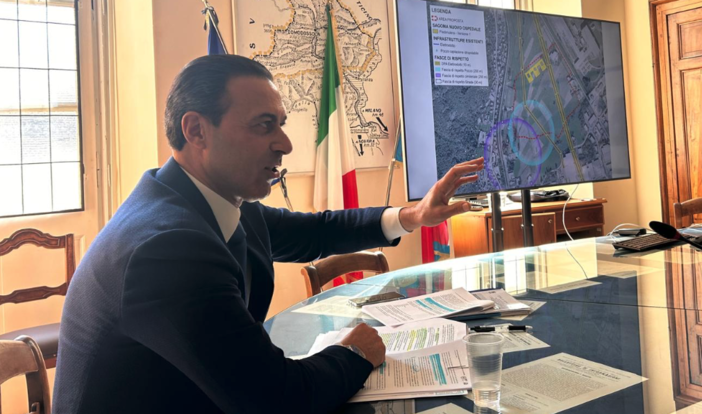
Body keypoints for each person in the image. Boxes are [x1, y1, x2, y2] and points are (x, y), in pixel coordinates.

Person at [52, 54, 484, 414]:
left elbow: (317, 231)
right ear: (196, 130)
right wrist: (354, 353)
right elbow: (279, 400)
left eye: (280, 124)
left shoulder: (212, 201)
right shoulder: (167, 247)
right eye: (263, 125)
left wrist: (413, 215)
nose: (285, 144)